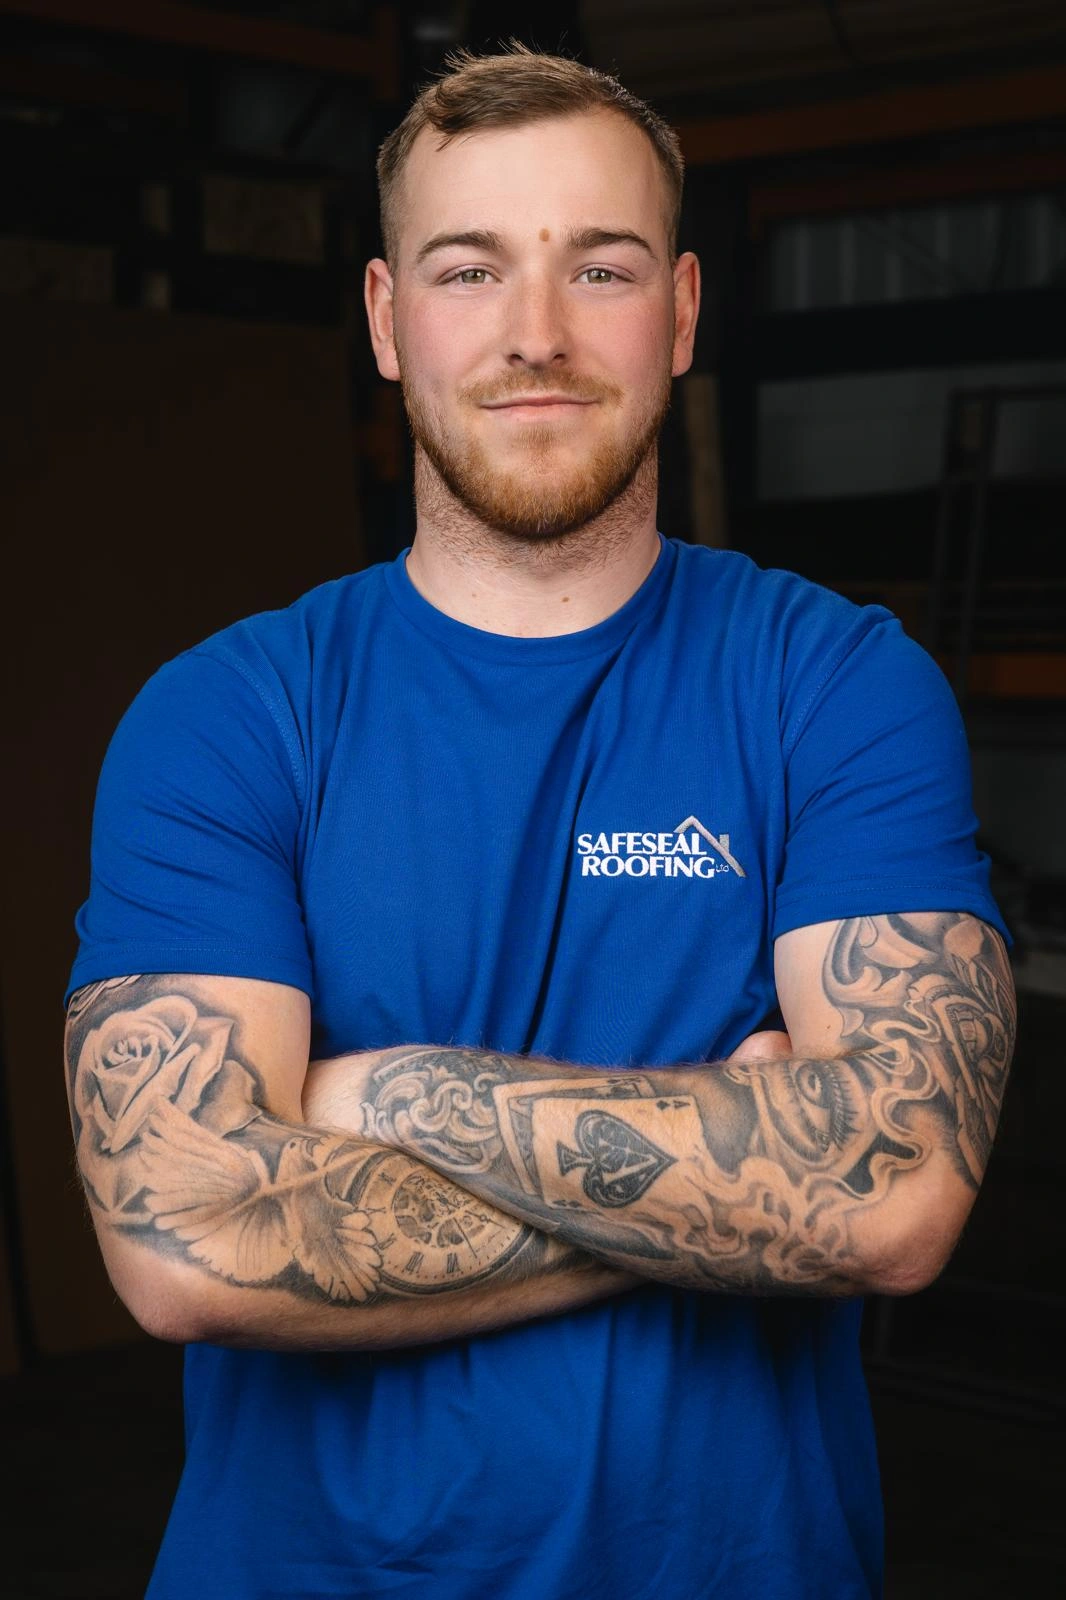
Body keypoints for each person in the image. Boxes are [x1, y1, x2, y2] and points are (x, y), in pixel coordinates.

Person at [65, 45, 1014, 1600]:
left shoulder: (833, 683)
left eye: (601, 267)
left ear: (682, 311)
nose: (536, 334)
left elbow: (894, 1197)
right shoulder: (228, 716)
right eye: (469, 270)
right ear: (386, 319)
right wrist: (745, 1178)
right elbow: (184, 1241)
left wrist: (383, 1098)